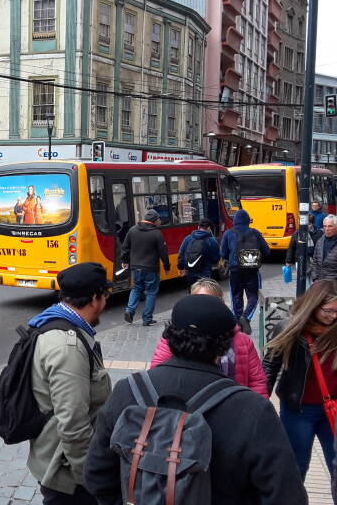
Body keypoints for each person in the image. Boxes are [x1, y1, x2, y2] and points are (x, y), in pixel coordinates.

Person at [86, 294, 307, 505]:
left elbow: (97, 472)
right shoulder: (252, 409)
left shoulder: (129, 391)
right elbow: (286, 494)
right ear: (224, 346)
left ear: (169, 336)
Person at [26, 262, 112, 504]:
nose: (105, 305)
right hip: (66, 474)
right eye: (105, 297)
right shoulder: (68, 347)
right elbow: (73, 424)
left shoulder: (56, 322)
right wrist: (91, 478)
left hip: (57, 458)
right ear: (95, 298)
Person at [264, 279, 337, 483]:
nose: (333, 316)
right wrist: (261, 400)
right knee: (296, 467)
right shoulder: (289, 329)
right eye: (328, 311)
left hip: (333, 408)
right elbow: (270, 366)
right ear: (313, 305)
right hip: (299, 410)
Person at [150, 278, 268, 396]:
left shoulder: (242, 341)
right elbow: (158, 374)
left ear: (220, 304)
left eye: (208, 302)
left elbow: (257, 382)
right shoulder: (176, 337)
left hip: (233, 406)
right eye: (196, 301)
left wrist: (256, 410)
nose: (202, 308)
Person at [220, 209, 270, 335]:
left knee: (236, 295)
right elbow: (267, 251)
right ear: (248, 221)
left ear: (235, 221)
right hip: (252, 270)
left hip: (235, 270)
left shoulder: (228, 233)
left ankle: (237, 322)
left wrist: (232, 258)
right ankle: (246, 317)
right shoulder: (255, 233)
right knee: (253, 295)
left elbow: (223, 253)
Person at [121, 209, 170, 327]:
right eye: (158, 219)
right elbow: (163, 252)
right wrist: (167, 266)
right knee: (151, 292)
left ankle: (129, 310)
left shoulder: (132, 230)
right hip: (151, 268)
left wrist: (124, 261)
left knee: (136, 288)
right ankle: (147, 319)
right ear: (153, 221)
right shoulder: (156, 234)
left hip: (135, 267)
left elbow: (125, 247)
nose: (160, 221)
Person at [177, 219, 221, 290]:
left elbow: (181, 254)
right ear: (209, 228)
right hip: (204, 272)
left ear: (198, 227)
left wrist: (180, 267)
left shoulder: (188, 238)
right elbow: (215, 258)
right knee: (204, 294)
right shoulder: (211, 241)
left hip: (190, 272)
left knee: (193, 293)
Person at [312, 214, 337, 282]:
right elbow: (315, 261)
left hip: (333, 283)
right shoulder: (320, 241)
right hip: (320, 281)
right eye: (325, 226)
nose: (327, 229)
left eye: (330, 226)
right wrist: (315, 278)